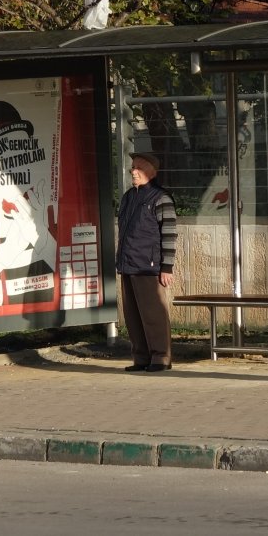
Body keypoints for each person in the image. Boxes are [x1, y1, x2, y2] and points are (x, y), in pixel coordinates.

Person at [116, 152, 177, 372]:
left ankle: (161, 357)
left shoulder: (161, 198)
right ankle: (140, 357)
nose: (134, 172)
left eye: (139, 168)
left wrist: (166, 267)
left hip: (149, 267)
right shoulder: (128, 197)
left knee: (153, 315)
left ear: (152, 171)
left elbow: (169, 234)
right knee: (133, 316)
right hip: (128, 264)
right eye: (132, 167)